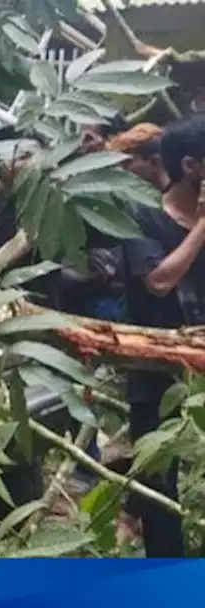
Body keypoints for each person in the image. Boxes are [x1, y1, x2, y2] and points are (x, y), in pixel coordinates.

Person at [118, 114, 205, 557]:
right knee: (161, 492)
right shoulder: (143, 218)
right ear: (192, 167)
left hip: (201, 374)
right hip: (155, 374)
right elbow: (157, 280)